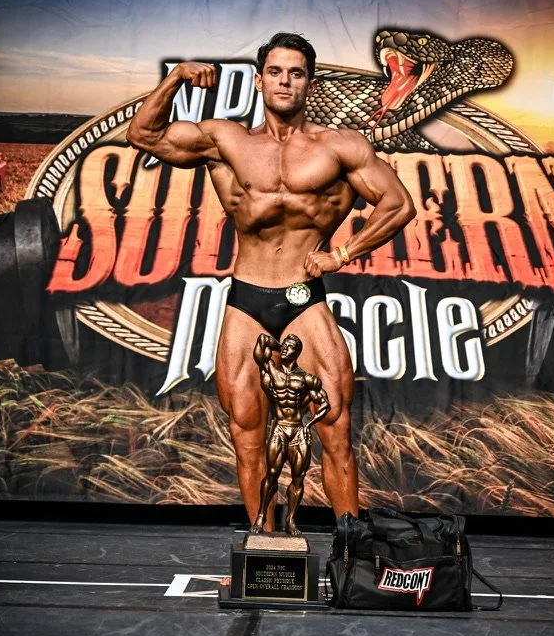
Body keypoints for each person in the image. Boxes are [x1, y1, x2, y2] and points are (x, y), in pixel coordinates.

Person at [126, 31, 416, 530]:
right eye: (277, 72)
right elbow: (144, 137)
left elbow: (399, 204)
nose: (286, 81)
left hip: (305, 300)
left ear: (310, 82)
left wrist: (343, 253)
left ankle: (348, 556)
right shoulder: (226, 140)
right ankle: (266, 545)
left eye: (297, 73)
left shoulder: (341, 147)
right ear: (259, 81)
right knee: (247, 435)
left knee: (335, 432)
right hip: (247, 300)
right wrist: (174, 79)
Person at [251, 332, 330, 538]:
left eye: (289, 347)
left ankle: (291, 521)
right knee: (272, 473)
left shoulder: (306, 379)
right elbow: (262, 341)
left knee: (298, 478)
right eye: (284, 346)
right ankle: (261, 516)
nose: (284, 350)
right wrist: (281, 345)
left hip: (297, 430)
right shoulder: (270, 370)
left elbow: (325, 403)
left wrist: (309, 425)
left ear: (297, 352)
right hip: (279, 428)